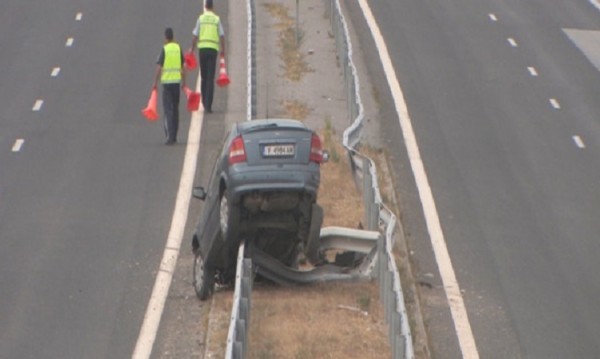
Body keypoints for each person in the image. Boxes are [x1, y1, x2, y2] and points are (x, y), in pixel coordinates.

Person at [190, 0, 225, 113]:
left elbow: (195, 35)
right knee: (210, 77)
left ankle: (204, 102)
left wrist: (192, 49)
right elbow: (222, 35)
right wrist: (223, 50)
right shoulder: (216, 19)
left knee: (204, 76)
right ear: (212, 6)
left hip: (203, 50)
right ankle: (208, 105)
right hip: (213, 50)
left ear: (205, 6)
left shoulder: (201, 19)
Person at [153, 27, 186, 145]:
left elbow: (159, 67)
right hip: (176, 83)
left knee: (168, 110)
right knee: (175, 109)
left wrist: (155, 83)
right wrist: (184, 83)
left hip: (167, 84)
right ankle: (174, 135)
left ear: (166, 37)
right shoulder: (178, 48)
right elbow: (183, 67)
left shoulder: (165, 49)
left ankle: (169, 136)